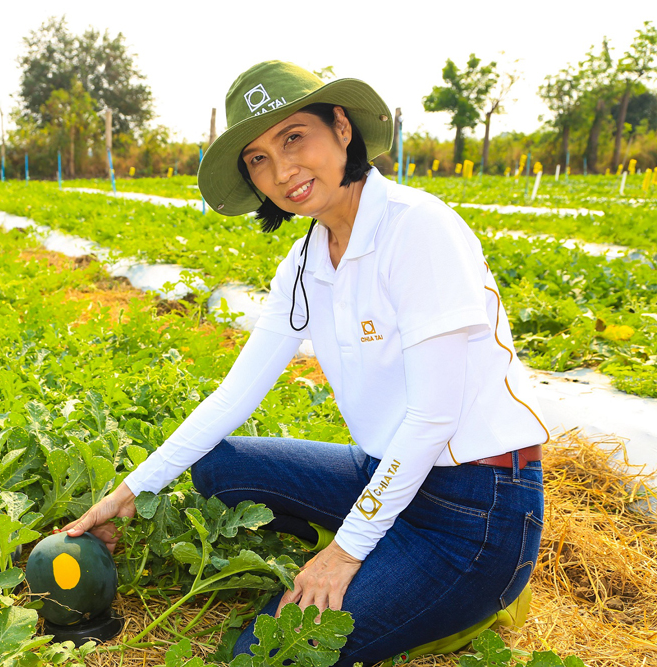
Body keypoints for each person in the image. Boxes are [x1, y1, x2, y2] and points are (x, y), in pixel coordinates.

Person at [63, 60, 548, 666]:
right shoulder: (305, 262)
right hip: (386, 473)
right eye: (258, 158)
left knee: (272, 650)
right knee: (221, 467)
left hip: (473, 509)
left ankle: (439, 582)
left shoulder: (417, 229)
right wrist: (129, 491)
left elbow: (433, 416)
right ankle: (389, 560)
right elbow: (234, 396)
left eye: (294, 137)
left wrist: (345, 551)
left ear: (342, 128)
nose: (283, 169)